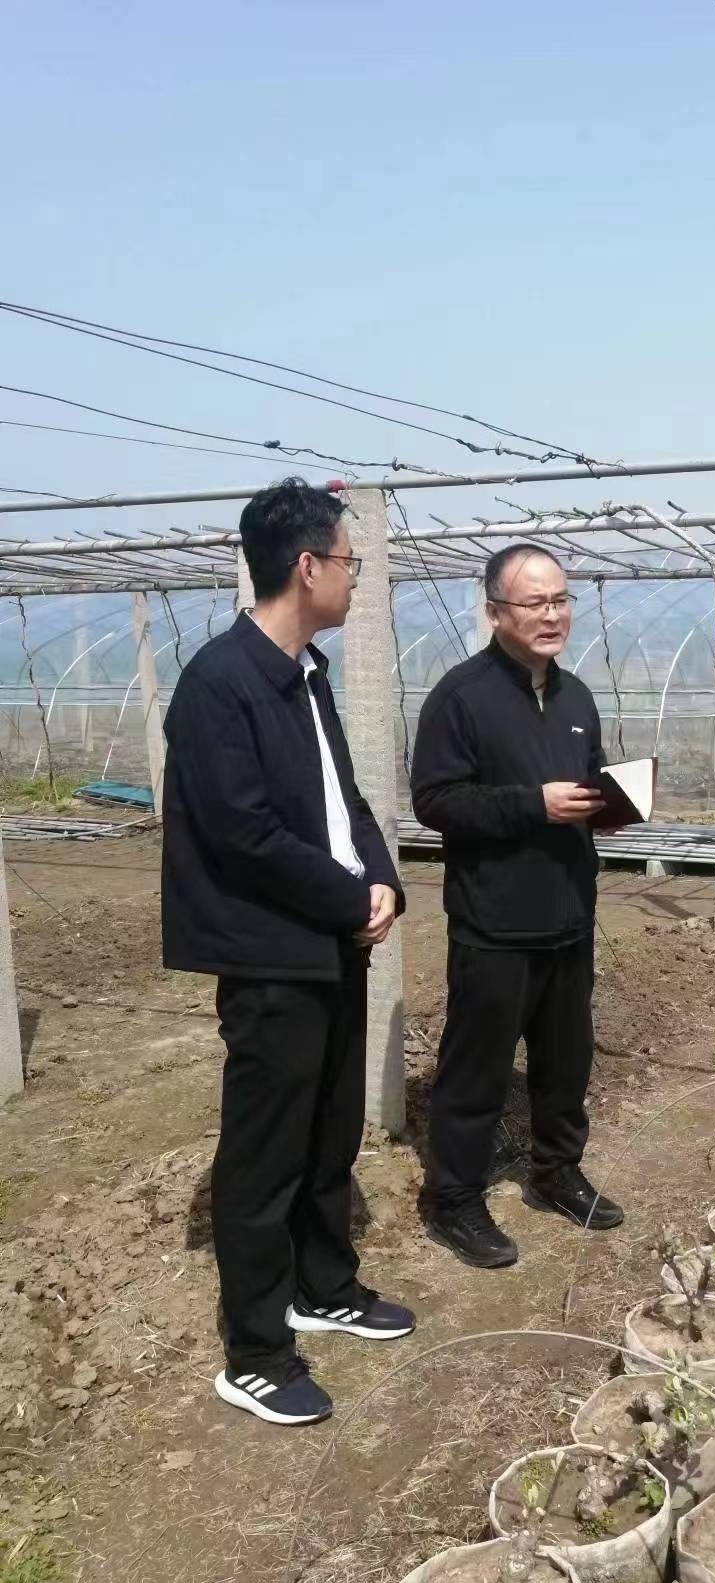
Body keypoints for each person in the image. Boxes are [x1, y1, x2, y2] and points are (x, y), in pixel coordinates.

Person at [162, 479, 415, 1427]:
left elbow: (344, 802)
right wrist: (352, 899)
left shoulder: (305, 673)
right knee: (265, 1155)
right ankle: (257, 1352)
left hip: (332, 940)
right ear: (307, 567)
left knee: (328, 1131)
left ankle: (324, 1286)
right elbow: (246, 836)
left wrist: (381, 880)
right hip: (272, 955)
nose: (355, 577)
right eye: (349, 560)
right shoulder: (219, 684)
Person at [409, 542, 624, 1268]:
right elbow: (436, 801)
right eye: (536, 602)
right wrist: (533, 805)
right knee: (477, 1068)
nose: (553, 614)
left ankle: (556, 1172)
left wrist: (608, 807)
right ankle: (454, 1199)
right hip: (494, 922)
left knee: (565, 1060)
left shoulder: (575, 697)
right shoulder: (461, 698)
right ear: (496, 612)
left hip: (568, 914)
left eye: (561, 600)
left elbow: (585, 783)